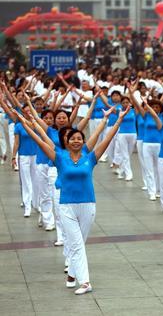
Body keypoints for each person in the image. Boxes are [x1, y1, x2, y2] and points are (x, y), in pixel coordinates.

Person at [16, 105, 130, 295]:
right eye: (72, 139)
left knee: (79, 243)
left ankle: (71, 272)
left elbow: (107, 138)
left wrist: (116, 120)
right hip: (66, 206)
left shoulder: (90, 157)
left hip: (88, 205)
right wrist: (26, 122)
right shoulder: (58, 157)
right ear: (66, 142)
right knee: (76, 243)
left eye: (79, 138)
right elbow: (38, 137)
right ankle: (85, 282)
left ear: (83, 141)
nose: (76, 141)